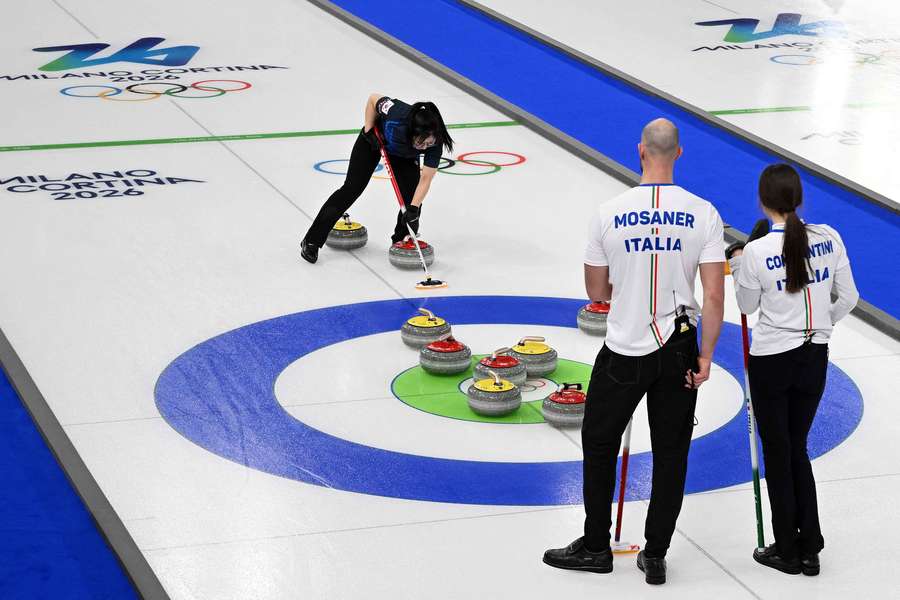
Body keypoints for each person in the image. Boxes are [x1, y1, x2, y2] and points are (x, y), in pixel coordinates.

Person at [543, 118, 725, 586]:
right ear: (678, 154)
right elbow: (713, 296)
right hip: (679, 347)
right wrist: (705, 356)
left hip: (625, 347)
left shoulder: (609, 213)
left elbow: (597, 291)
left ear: (640, 151)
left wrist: (630, 285)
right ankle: (656, 553)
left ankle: (595, 546)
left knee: (599, 443)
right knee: (671, 453)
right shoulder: (704, 213)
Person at [727, 163, 858, 576]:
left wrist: (737, 264)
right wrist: (819, 325)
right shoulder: (828, 237)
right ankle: (810, 546)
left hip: (772, 358)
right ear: (799, 198)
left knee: (778, 450)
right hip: (814, 356)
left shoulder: (757, 252)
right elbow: (849, 297)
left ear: (763, 201)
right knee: (797, 446)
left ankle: (786, 547)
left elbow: (746, 305)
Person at [300, 94, 453, 263]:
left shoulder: (435, 143)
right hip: (373, 140)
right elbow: (373, 99)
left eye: (428, 144)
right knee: (352, 188)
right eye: (420, 143)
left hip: (404, 155)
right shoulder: (398, 114)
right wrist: (368, 129)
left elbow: (425, 179)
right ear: (411, 132)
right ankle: (312, 240)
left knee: (412, 200)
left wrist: (413, 210)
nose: (424, 148)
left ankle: (401, 241)